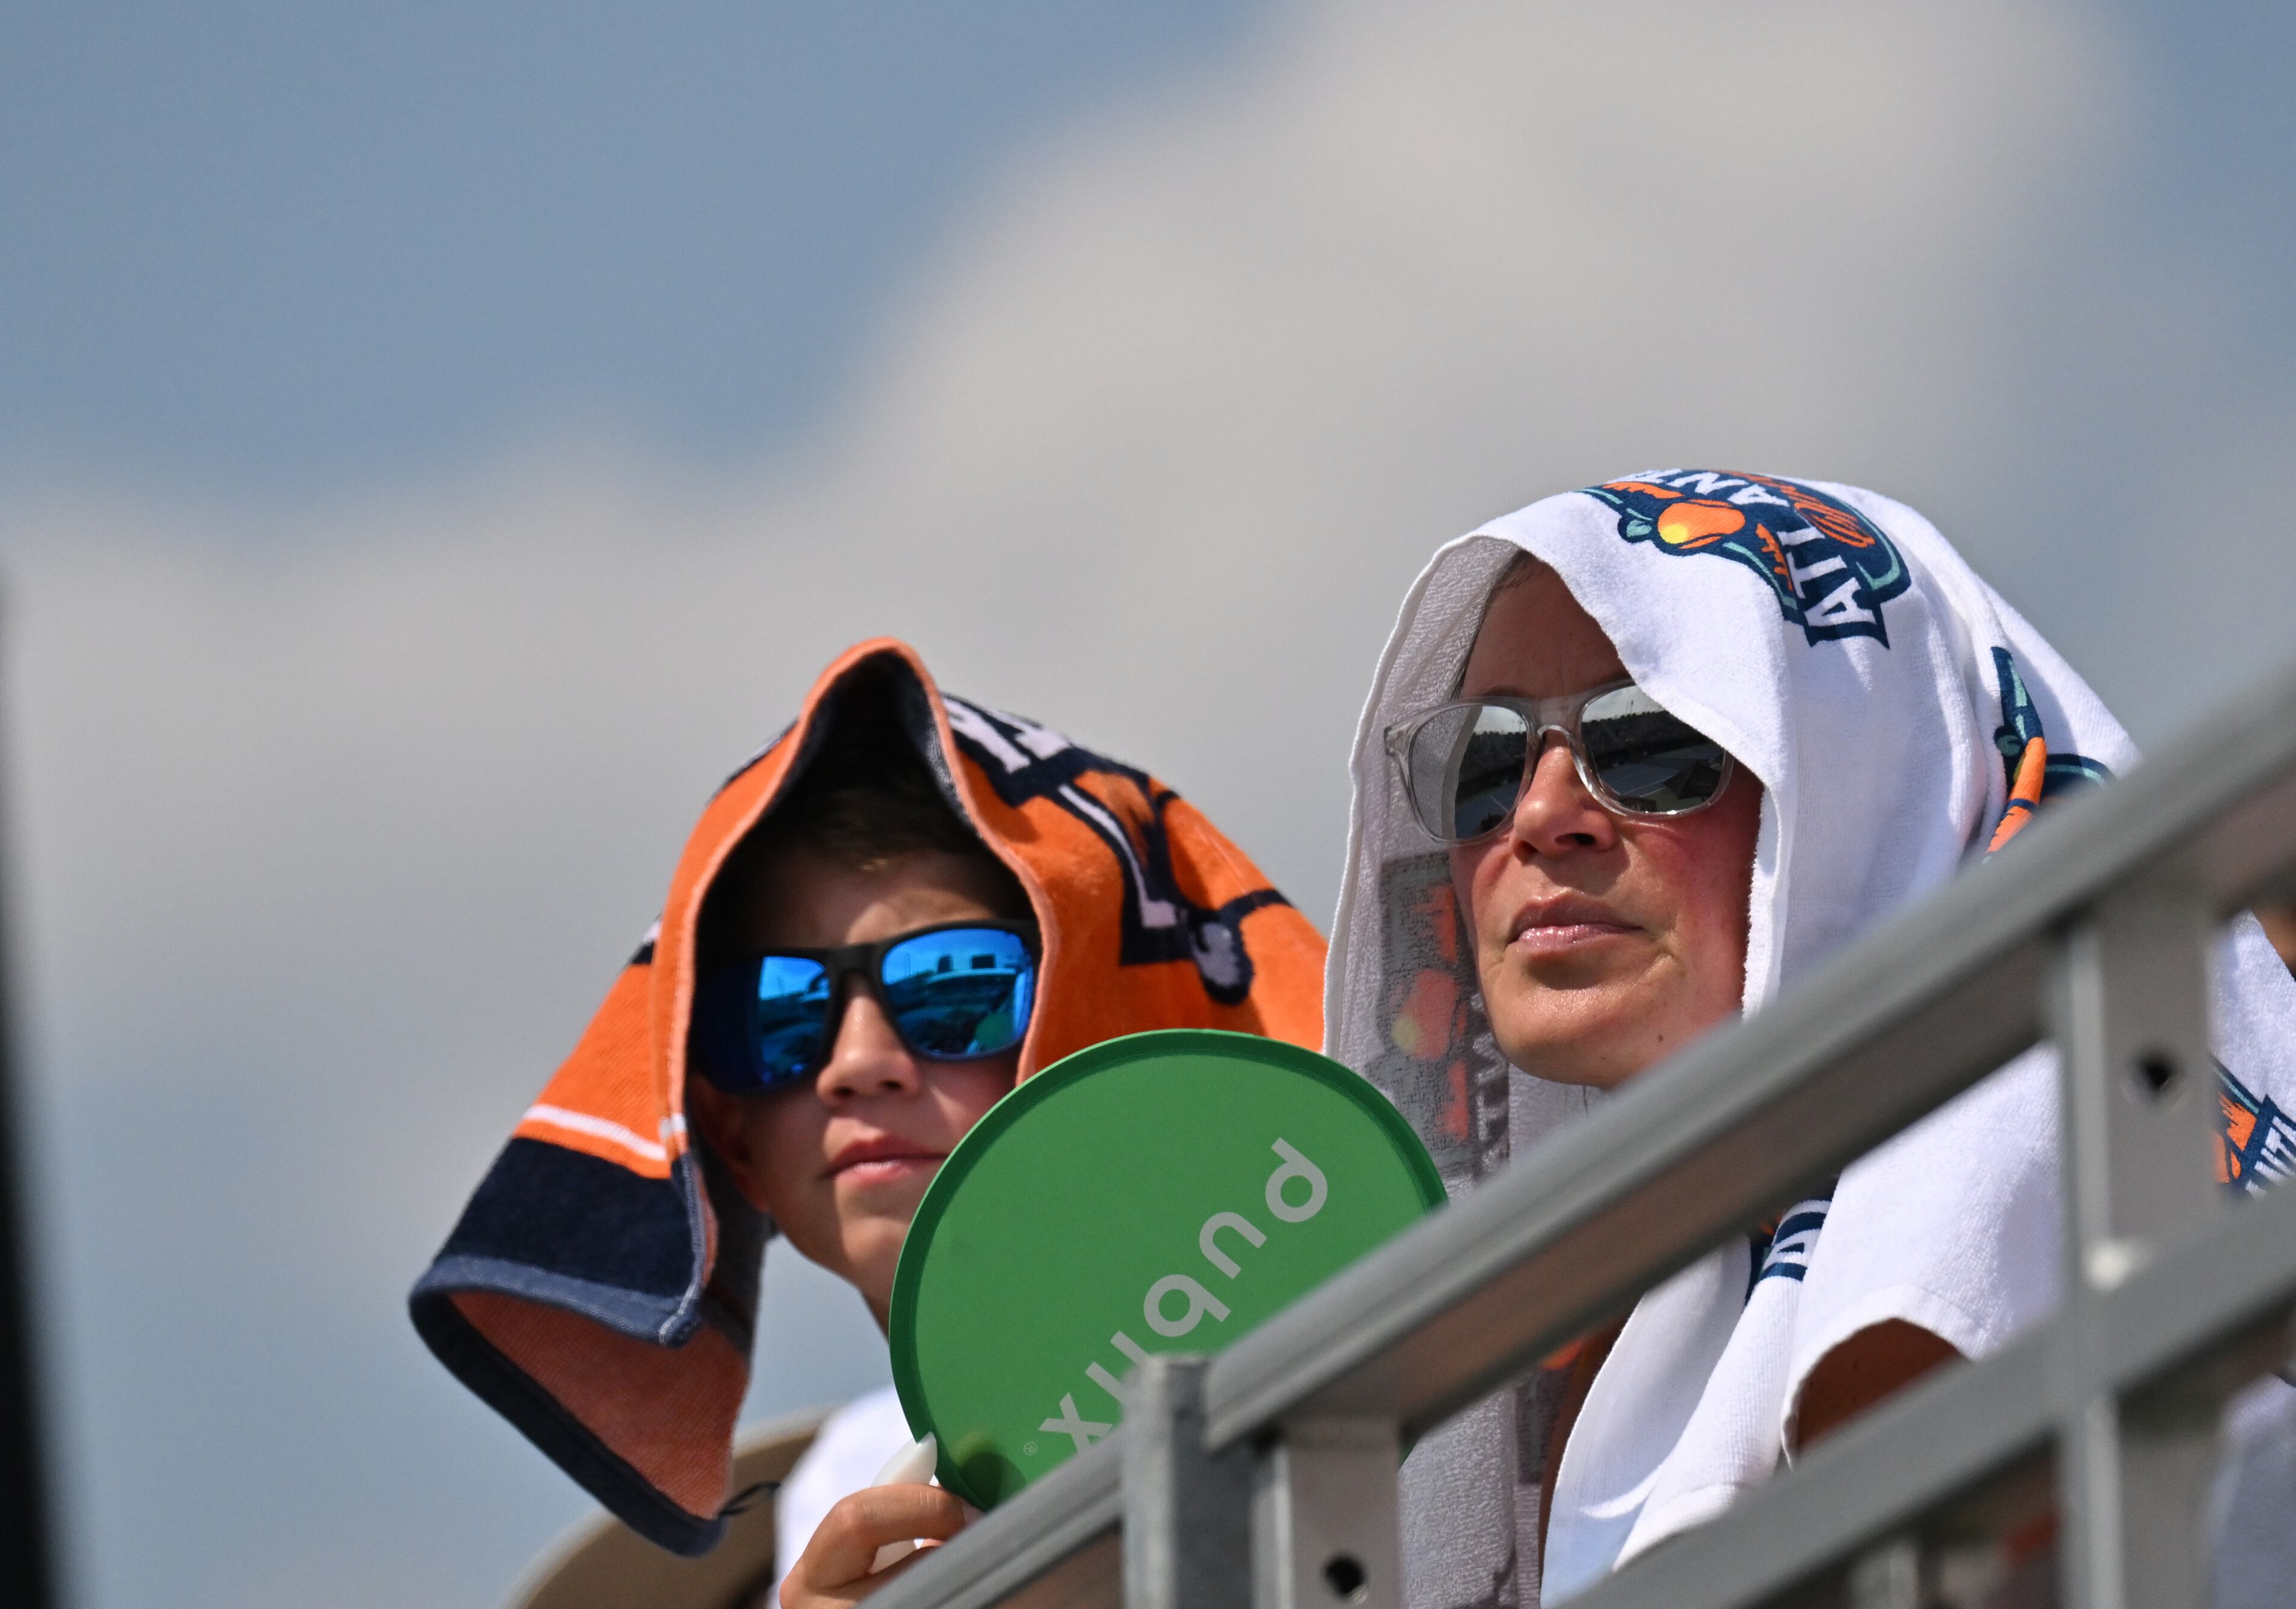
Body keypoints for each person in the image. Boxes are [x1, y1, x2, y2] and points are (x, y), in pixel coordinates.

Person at [1325, 470, 2296, 1607]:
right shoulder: (1640, 1343)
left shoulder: (1981, 1199)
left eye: (1650, 738)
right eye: (1481, 760)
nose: (1542, 815)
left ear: (1870, 782)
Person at [411, 639, 1327, 1599]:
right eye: (776, 1019)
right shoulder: (835, 1511)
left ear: (1108, 1016)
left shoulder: (1372, 1356)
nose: (855, 1065)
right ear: (732, 1138)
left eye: (956, 986)